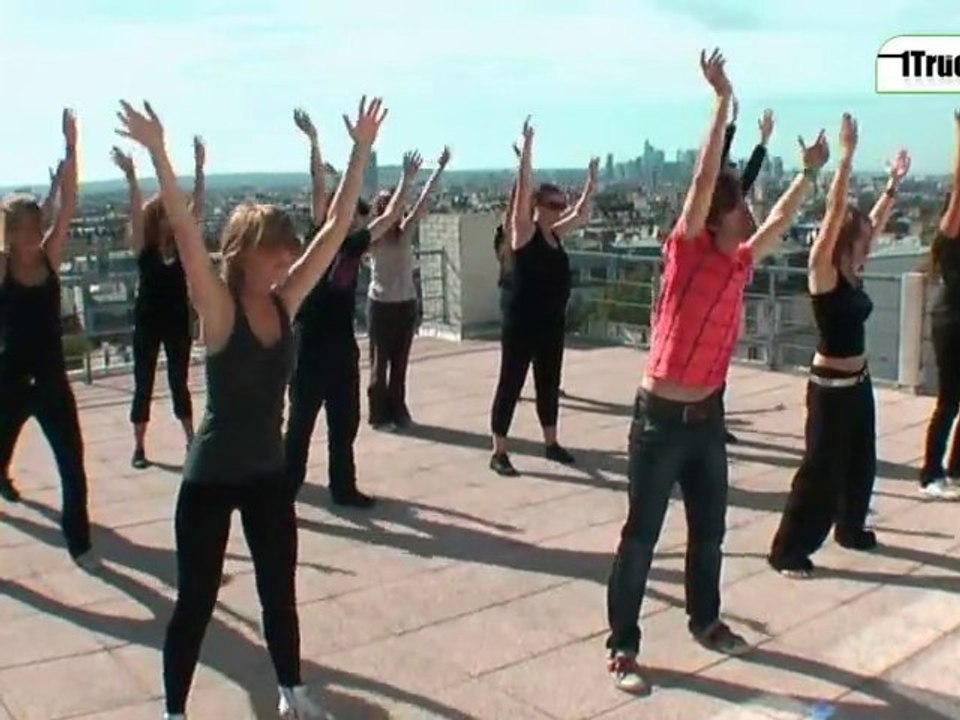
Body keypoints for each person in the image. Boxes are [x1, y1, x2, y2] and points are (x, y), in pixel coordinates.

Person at [115, 95, 386, 720]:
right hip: (210, 478)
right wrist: (158, 151)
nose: (289, 261)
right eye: (276, 253)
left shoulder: (286, 301)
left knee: (278, 595)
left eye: (289, 254)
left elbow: (335, 227)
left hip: (266, 475)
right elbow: (184, 232)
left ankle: (292, 692)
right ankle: (174, 711)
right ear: (245, 254)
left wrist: (360, 149)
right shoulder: (219, 307)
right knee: (196, 602)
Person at [604, 49, 829, 694]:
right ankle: (623, 644)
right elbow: (704, 178)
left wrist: (812, 172)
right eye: (741, 211)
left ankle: (706, 620)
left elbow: (783, 216)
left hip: (707, 421)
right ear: (716, 218)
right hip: (659, 421)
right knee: (641, 537)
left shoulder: (739, 262)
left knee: (709, 534)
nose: (751, 217)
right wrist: (721, 102)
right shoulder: (687, 253)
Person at [768, 116, 911, 578]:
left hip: (858, 381)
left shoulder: (853, 264)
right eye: (864, 231)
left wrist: (892, 185)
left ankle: (850, 528)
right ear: (847, 236)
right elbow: (833, 215)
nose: (873, 233)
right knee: (820, 471)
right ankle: (787, 549)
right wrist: (846, 158)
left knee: (860, 461)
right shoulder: (823, 270)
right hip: (829, 387)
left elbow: (872, 220)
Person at [284, 122, 417, 509]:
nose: (353, 218)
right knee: (300, 428)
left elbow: (389, 217)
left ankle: (343, 488)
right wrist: (315, 142)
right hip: (307, 348)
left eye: (357, 216)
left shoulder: (356, 245)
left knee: (345, 425)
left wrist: (407, 179)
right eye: (348, 214)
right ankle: (284, 492)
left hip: (341, 350)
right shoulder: (317, 237)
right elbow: (319, 187)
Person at [0, 110, 96, 569]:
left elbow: (70, 205)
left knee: (72, 465)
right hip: (9, 379)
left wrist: (72, 151)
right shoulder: (2, 268)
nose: (29, 235)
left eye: (33, 226)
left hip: (52, 377)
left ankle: (79, 541)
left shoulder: (49, 260)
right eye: (19, 228)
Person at [488, 118, 596, 476]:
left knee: (548, 382)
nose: (559, 208)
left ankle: (551, 442)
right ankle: (499, 450)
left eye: (560, 203)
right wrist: (527, 154)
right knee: (511, 382)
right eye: (553, 203)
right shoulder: (523, 233)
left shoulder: (555, 233)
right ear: (538, 205)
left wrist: (591, 184)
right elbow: (521, 197)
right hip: (521, 323)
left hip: (551, 323)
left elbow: (582, 214)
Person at [114, 136, 205, 469]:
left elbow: (196, 209)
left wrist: (199, 169)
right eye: (166, 214)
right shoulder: (144, 248)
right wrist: (131, 178)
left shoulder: (181, 246)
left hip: (177, 319)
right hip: (149, 321)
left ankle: (190, 439)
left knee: (179, 381)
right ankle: (139, 447)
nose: (172, 218)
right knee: (144, 382)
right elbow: (135, 214)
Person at [367, 146, 450, 430]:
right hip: (381, 305)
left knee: (400, 363)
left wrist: (438, 169)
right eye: (388, 207)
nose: (395, 212)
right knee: (380, 364)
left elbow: (423, 201)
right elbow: (389, 217)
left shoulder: (404, 233)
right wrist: (407, 178)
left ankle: (398, 409)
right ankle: (378, 413)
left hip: (405, 305)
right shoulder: (374, 239)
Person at [718, 99, 774, 444]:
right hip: (714, 280)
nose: (739, 178)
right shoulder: (713, 196)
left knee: (719, 362)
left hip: (728, 284)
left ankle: (713, 421)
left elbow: (748, 174)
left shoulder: (733, 199)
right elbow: (720, 160)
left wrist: (763, 141)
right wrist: (731, 125)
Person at [919, 110, 960, 500]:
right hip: (952, 321)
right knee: (949, 399)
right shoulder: (949, 237)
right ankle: (931, 471)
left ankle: (957, 467)